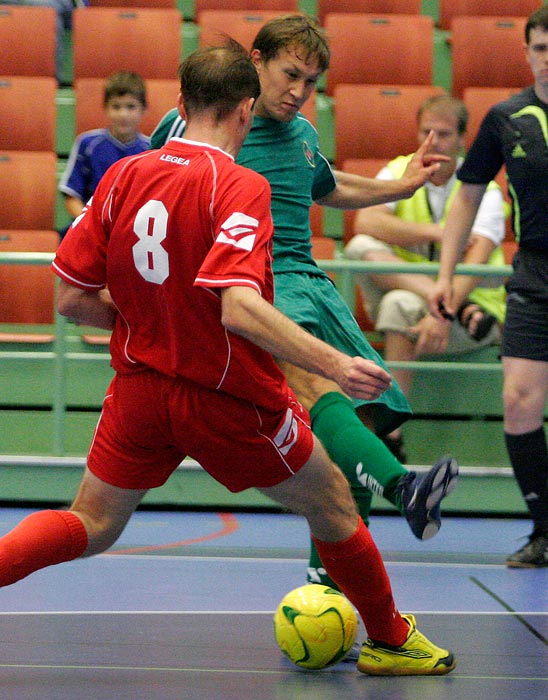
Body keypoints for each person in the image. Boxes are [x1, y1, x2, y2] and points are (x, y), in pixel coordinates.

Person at [0, 42, 456, 676]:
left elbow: (71, 297)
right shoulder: (240, 185)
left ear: (181, 106)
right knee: (331, 502)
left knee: (92, 522)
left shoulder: (124, 175)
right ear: (247, 111)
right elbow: (238, 309)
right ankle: (389, 638)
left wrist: (147, 320)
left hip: (138, 390)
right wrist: (333, 362)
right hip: (225, 395)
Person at [151, 14, 459, 589]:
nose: (299, 92)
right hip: (254, 283)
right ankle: (404, 488)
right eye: (290, 74)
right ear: (257, 62)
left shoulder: (305, 134)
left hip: (312, 284)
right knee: (316, 385)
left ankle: (331, 589)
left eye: (312, 82)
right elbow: (155, 194)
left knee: (366, 408)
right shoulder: (196, 123)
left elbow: (326, 185)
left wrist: (403, 185)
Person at [430, 5, 548, 569]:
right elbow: (469, 196)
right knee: (518, 400)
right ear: (527, 54)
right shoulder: (506, 118)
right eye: (542, 48)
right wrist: (447, 275)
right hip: (534, 275)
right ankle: (544, 529)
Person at [345, 94, 507, 460]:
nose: (434, 142)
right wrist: (440, 234)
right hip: (447, 307)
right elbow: (366, 221)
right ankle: (451, 305)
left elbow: (477, 259)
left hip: (471, 317)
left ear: (464, 138)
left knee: (397, 305)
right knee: (359, 246)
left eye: (445, 134)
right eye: (426, 132)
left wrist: (440, 313)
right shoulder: (401, 168)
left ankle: (391, 431)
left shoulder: (487, 188)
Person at [59, 71, 149, 237]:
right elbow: (71, 196)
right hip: (88, 231)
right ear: (105, 108)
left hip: (134, 234)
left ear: (144, 109)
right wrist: (91, 225)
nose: (123, 114)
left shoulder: (151, 150)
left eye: (131, 107)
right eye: (116, 106)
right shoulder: (87, 144)